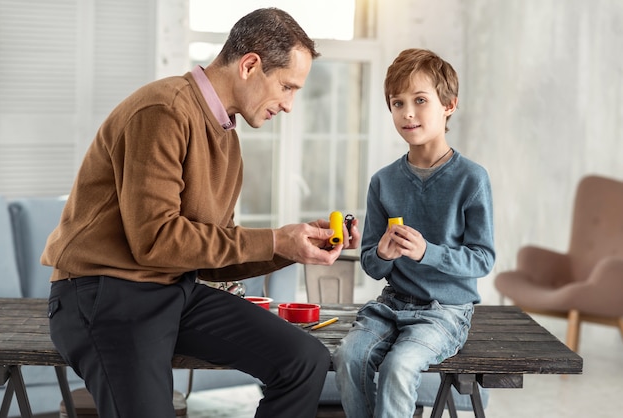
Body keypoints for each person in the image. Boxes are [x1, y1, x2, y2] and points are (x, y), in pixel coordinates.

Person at [41, 8, 360, 418]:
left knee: (303, 361)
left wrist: (292, 248)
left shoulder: (226, 138)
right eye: (286, 87)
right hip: (105, 294)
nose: (289, 105)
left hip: (173, 290)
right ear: (250, 64)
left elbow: (206, 256)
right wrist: (276, 239)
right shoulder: (163, 111)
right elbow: (155, 242)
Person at [333, 48, 495, 417]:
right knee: (348, 355)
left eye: (420, 100)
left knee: (399, 366)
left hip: (446, 311)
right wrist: (385, 255)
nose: (407, 112)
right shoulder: (383, 181)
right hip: (392, 304)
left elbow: (483, 258)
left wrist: (428, 252)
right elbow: (372, 264)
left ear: (449, 105)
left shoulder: (472, 178)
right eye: (397, 102)